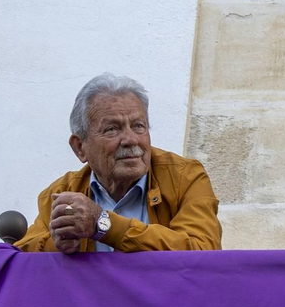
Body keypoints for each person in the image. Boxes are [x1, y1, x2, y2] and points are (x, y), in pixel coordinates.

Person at [16, 74, 222, 253]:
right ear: (80, 147)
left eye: (138, 126)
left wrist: (103, 224)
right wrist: (58, 245)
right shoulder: (62, 192)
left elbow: (202, 252)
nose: (131, 139)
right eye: (112, 129)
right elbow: (24, 258)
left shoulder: (185, 178)